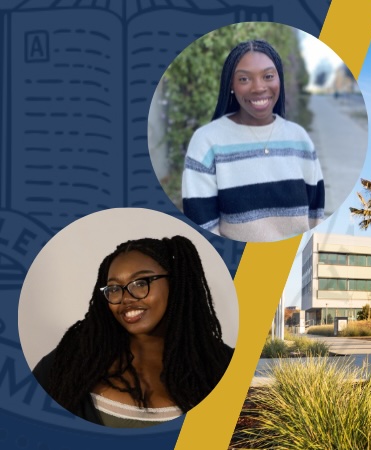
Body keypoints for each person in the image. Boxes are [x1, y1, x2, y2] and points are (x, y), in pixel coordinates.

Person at [32, 236, 234, 427]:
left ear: (175, 282)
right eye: (114, 288)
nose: (126, 298)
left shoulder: (225, 366)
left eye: (140, 283)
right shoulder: (69, 363)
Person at [182, 39, 325, 242]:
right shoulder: (207, 142)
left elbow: (316, 218)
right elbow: (202, 229)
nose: (259, 88)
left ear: (279, 80)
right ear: (231, 85)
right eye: (244, 79)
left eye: (268, 76)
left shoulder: (300, 139)